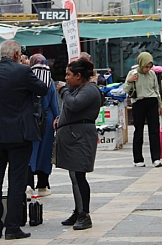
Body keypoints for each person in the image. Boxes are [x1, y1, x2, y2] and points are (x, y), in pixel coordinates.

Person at [0, 40, 48, 240]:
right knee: (16, 181)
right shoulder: (22, 72)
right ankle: (12, 227)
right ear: (16, 55)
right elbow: (43, 89)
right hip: (19, 135)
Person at [54, 58, 101, 230]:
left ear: (79, 75)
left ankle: (85, 214)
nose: (66, 78)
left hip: (80, 137)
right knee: (74, 176)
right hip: (72, 136)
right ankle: (78, 209)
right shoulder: (78, 89)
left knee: (80, 176)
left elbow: (74, 105)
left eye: (68, 75)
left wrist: (63, 91)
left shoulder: (89, 89)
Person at [123, 52, 162, 168]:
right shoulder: (133, 73)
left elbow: (156, 90)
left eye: (150, 66)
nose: (148, 69)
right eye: (146, 66)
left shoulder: (152, 74)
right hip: (139, 102)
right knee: (138, 130)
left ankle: (156, 158)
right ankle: (138, 159)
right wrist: (130, 80)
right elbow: (125, 89)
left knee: (154, 131)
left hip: (152, 102)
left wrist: (159, 105)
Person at [28, 53, 60, 196]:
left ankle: (28, 184)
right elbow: (54, 104)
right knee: (45, 152)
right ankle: (43, 184)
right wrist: (58, 118)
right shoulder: (50, 81)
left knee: (30, 151)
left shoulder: (28, 79)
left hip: (30, 119)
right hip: (47, 120)